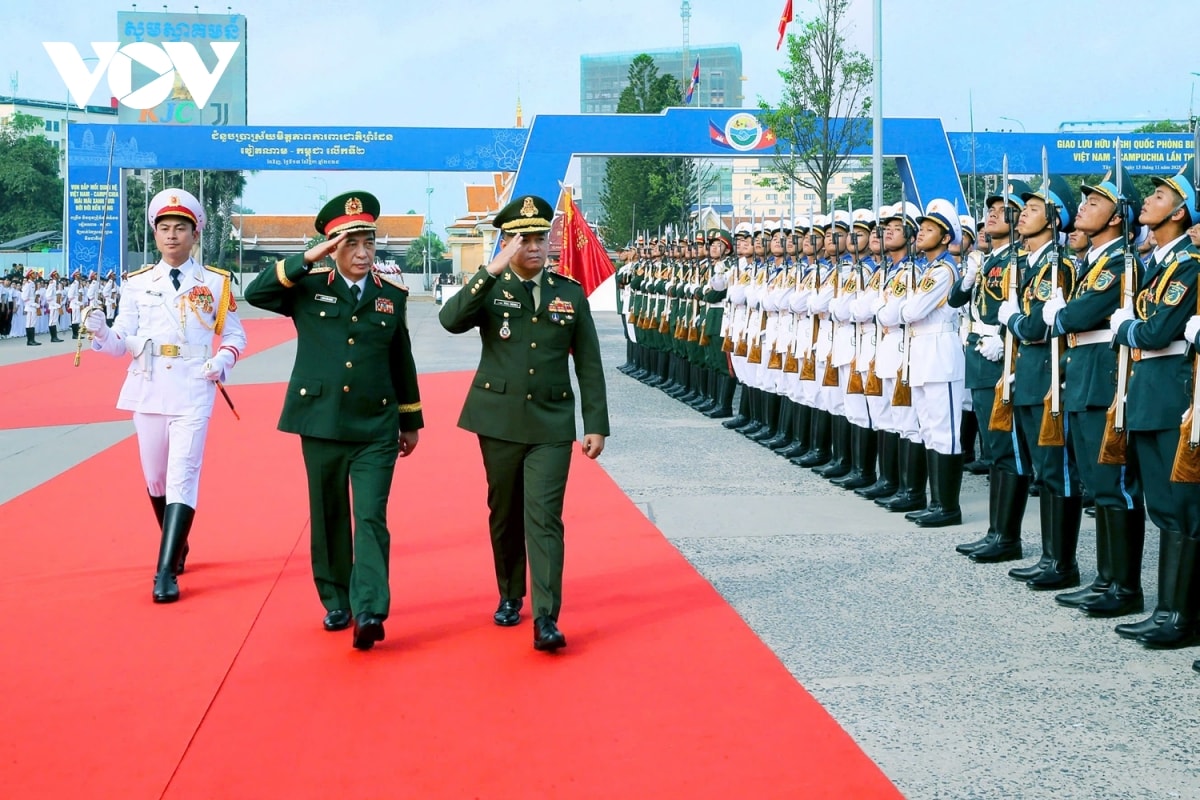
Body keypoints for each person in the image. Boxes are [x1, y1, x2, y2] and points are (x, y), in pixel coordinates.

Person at [244, 191, 423, 651]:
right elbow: (255, 293)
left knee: (370, 516)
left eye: (369, 243)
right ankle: (336, 600)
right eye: (351, 244)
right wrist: (309, 258)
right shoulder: (307, 287)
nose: (363, 253)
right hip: (321, 420)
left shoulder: (392, 296)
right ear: (331, 246)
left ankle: (369, 609)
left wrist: (410, 420)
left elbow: (401, 360)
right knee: (328, 516)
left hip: (376, 425)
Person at [438, 194, 610, 653]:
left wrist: (596, 423)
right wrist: (492, 269)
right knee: (505, 511)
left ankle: (547, 617)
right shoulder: (491, 288)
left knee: (545, 517)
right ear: (508, 243)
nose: (535, 247)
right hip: (498, 419)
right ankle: (510, 593)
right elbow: (449, 320)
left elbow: (589, 363)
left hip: (552, 421)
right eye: (524, 240)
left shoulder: (568, 293)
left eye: (539, 239)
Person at [84, 189, 247, 604]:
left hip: (194, 386)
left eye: (180, 228)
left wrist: (223, 360)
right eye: (164, 228)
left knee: (183, 474)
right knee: (155, 476)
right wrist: (101, 333)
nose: (172, 236)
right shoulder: (138, 283)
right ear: (155, 235)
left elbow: (233, 335)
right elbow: (122, 341)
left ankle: (164, 571)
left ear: (195, 234)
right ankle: (177, 543)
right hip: (149, 383)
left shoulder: (215, 281)